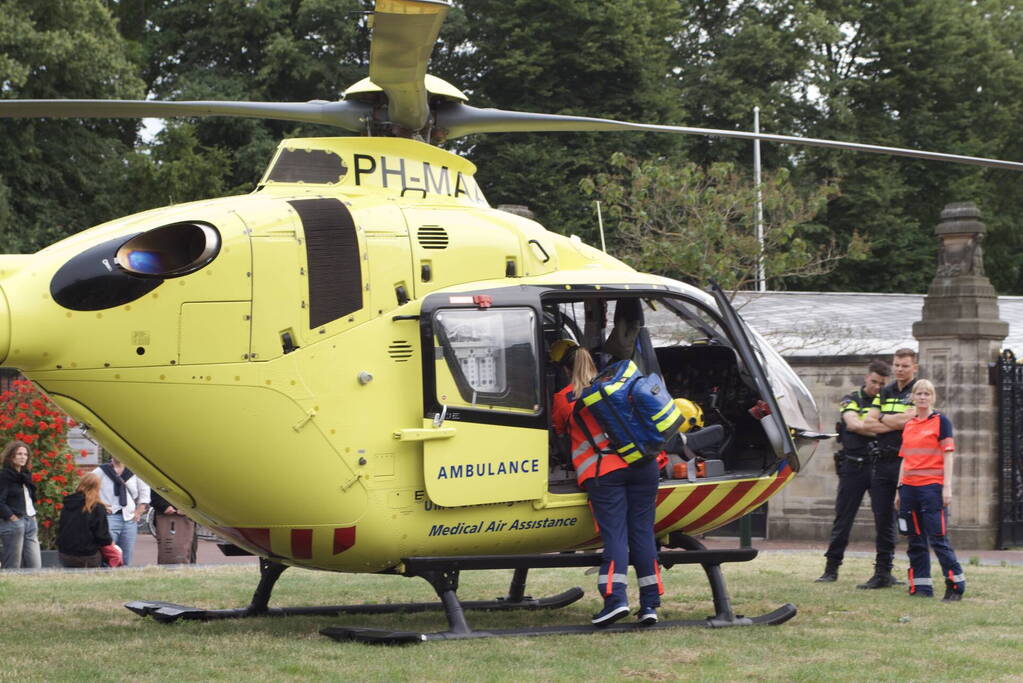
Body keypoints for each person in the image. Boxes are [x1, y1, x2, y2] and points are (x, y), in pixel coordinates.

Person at [550, 340, 662, 626]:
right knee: (643, 534)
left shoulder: (564, 398)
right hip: (644, 466)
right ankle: (650, 605)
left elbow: (558, 432)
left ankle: (615, 600)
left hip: (604, 473)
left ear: (565, 369)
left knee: (616, 536)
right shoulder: (618, 387)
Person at [816, 359, 890, 582]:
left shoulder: (887, 401)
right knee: (843, 519)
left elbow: (898, 427)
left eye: (882, 383)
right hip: (853, 466)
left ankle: (884, 572)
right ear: (867, 377)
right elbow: (853, 425)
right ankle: (831, 569)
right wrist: (886, 429)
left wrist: (872, 426)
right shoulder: (851, 399)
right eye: (874, 381)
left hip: (879, 467)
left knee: (886, 520)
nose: (877, 387)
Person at [895, 380, 965, 600]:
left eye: (927, 393)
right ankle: (921, 587)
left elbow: (948, 455)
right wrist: (899, 489)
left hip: (931, 488)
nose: (923, 397)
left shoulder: (941, 422)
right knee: (914, 539)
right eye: (919, 393)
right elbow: (904, 459)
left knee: (937, 538)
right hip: (909, 488)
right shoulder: (909, 425)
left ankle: (955, 585)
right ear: (913, 397)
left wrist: (947, 487)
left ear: (933, 397)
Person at [858, 348, 920, 589]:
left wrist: (884, 419)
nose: (899, 369)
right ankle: (883, 572)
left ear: (914, 367)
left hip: (907, 462)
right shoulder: (884, 391)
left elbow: (911, 420)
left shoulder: (918, 391)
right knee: (882, 517)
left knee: (911, 516)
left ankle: (918, 571)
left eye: (905, 365)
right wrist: (894, 421)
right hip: (882, 463)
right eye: (896, 365)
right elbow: (867, 423)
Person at [94, 457, 150, 566]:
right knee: (108, 553)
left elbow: (145, 492)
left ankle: (123, 577)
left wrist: (139, 511)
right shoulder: (102, 470)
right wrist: (100, 505)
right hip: (109, 518)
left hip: (129, 519)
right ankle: (106, 577)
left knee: (126, 555)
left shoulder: (134, 471)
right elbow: (86, 488)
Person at [57, 472, 114, 568]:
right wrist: (111, 542)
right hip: (88, 556)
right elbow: (103, 537)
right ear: (97, 488)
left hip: (64, 555)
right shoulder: (97, 507)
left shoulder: (68, 503)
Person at [0, 440, 42, 570]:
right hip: (13, 523)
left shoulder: (25, 476)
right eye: (19, 454)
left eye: (25, 454)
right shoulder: (4, 476)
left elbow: (29, 498)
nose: (23, 457)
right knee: (13, 565)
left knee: (35, 565)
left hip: (30, 521)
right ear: (11, 456)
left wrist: (33, 515)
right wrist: (13, 518)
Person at [151, 490, 197, 564]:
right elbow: (154, 493)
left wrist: (186, 508)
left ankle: (187, 571)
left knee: (188, 549)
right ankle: (166, 570)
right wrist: (164, 506)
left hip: (187, 517)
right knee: (167, 550)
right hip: (166, 517)